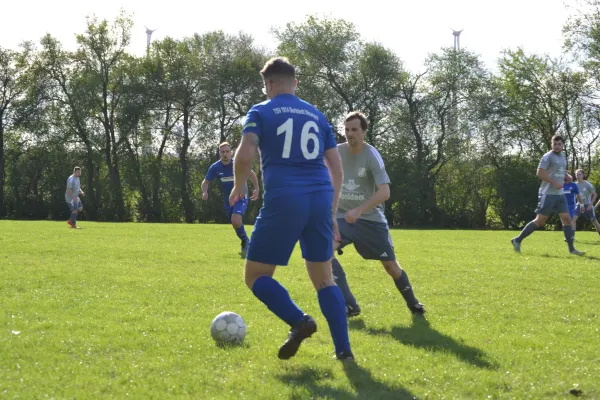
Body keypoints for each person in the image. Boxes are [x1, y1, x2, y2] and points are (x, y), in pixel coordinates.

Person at [229, 56, 353, 361]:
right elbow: (336, 169)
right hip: (320, 198)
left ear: (269, 84)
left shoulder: (261, 111)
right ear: (295, 83)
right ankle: (344, 352)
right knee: (324, 278)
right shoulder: (317, 115)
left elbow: (245, 154)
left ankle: (299, 321)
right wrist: (332, 212)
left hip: (285, 199)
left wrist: (238, 185)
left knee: (256, 275)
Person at [327, 111, 425, 319]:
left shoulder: (371, 155)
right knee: (324, 252)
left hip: (370, 220)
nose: (349, 134)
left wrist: (359, 210)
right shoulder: (336, 153)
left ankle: (414, 304)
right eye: (346, 129)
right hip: (342, 217)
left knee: (391, 267)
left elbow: (385, 192)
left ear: (363, 132)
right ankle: (350, 306)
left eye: (354, 130)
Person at [511, 135, 584, 255]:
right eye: (554, 144)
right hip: (548, 193)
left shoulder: (563, 155)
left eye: (559, 144)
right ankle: (517, 240)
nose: (557, 146)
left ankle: (572, 250)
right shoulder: (547, 156)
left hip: (560, 194)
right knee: (540, 221)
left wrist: (567, 176)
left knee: (566, 219)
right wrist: (554, 182)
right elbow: (540, 173)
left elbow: (558, 170)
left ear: (563, 145)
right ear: (552, 145)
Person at [202, 142, 259, 256]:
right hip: (228, 199)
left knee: (236, 220)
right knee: (235, 223)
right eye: (222, 152)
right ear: (219, 153)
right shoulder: (215, 167)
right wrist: (204, 191)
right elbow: (205, 182)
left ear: (231, 153)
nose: (225, 154)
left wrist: (256, 189)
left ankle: (246, 242)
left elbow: (252, 174)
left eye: (227, 151)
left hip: (241, 196)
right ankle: (245, 239)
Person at [572, 168, 600, 238]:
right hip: (579, 205)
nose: (578, 176)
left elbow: (595, 194)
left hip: (588, 205)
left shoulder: (588, 184)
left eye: (579, 174)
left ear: (583, 175)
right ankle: (571, 237)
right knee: (573, 219)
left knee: (594, 222)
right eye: (576, 174)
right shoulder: (575, 185)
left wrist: (591, 204)